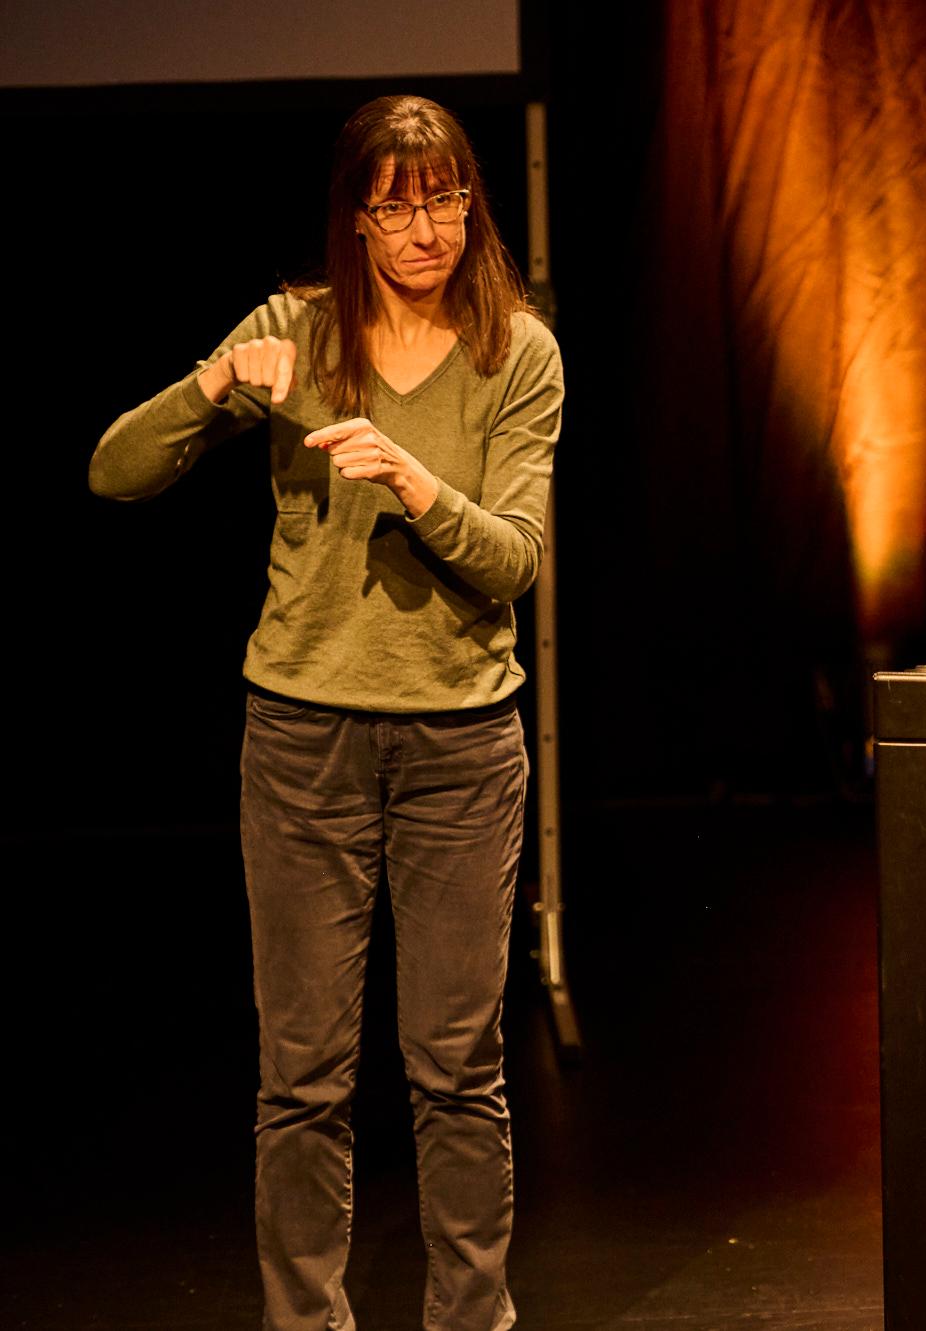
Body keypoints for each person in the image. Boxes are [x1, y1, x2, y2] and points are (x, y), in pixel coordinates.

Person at [89, 95, 560, 1331]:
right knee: (302, 1075)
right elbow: (113, 470)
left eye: (447, 197)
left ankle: (472, 1316)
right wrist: (209, 388)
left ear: (473, 204)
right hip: (302, 742)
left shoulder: (516, 349)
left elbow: (512, 559)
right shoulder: (296, 330)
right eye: (399, 203)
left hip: (461, 742)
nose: (427, 227)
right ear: (357, 214)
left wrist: (412, 482)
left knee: (458, 1069)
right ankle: (307, 1321)